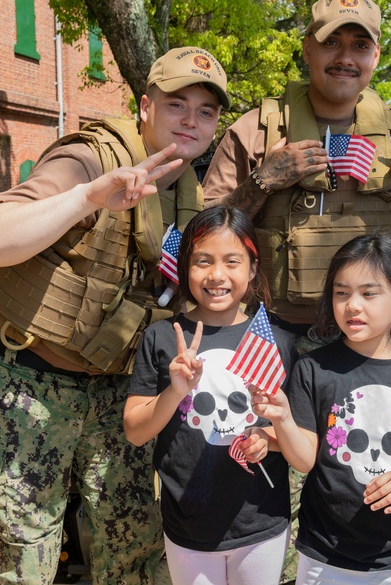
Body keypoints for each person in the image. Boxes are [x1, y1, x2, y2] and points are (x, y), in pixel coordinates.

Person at [0, 46, 231, 585]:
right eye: (177, 104)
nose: (191, 120)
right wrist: (89, 195)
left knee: (134, 547)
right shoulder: (89, 158)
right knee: (25, 556)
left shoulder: (187, 189)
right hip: (30, 387)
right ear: (144, 106)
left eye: (206, 111)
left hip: (114, 392)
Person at [202, 0, 391, 339]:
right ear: (308, 49)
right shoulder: (257, 129)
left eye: (360, 46)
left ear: (376, 55)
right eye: (331, 42)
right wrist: (262, 181)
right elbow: (200, 234)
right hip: (277, 334)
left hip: (377, 340)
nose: (345, 58)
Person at [250, 234, 391, 584]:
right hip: (326, 555)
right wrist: (283, 418)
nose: (353, 305)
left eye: (369, 293)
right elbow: (304, 459)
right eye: (341, 293)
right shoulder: (312, 369)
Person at [125, 205, 298, 585]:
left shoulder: (277, 342)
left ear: (253, 268)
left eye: (232, 261)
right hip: (188, 523)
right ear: (185, 267)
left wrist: (267, 439)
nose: (217, 275)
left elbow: (301, 440)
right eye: (202, 261)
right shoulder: (161, 337)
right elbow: (135, 431)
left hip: (261, 523)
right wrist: (175, 390)